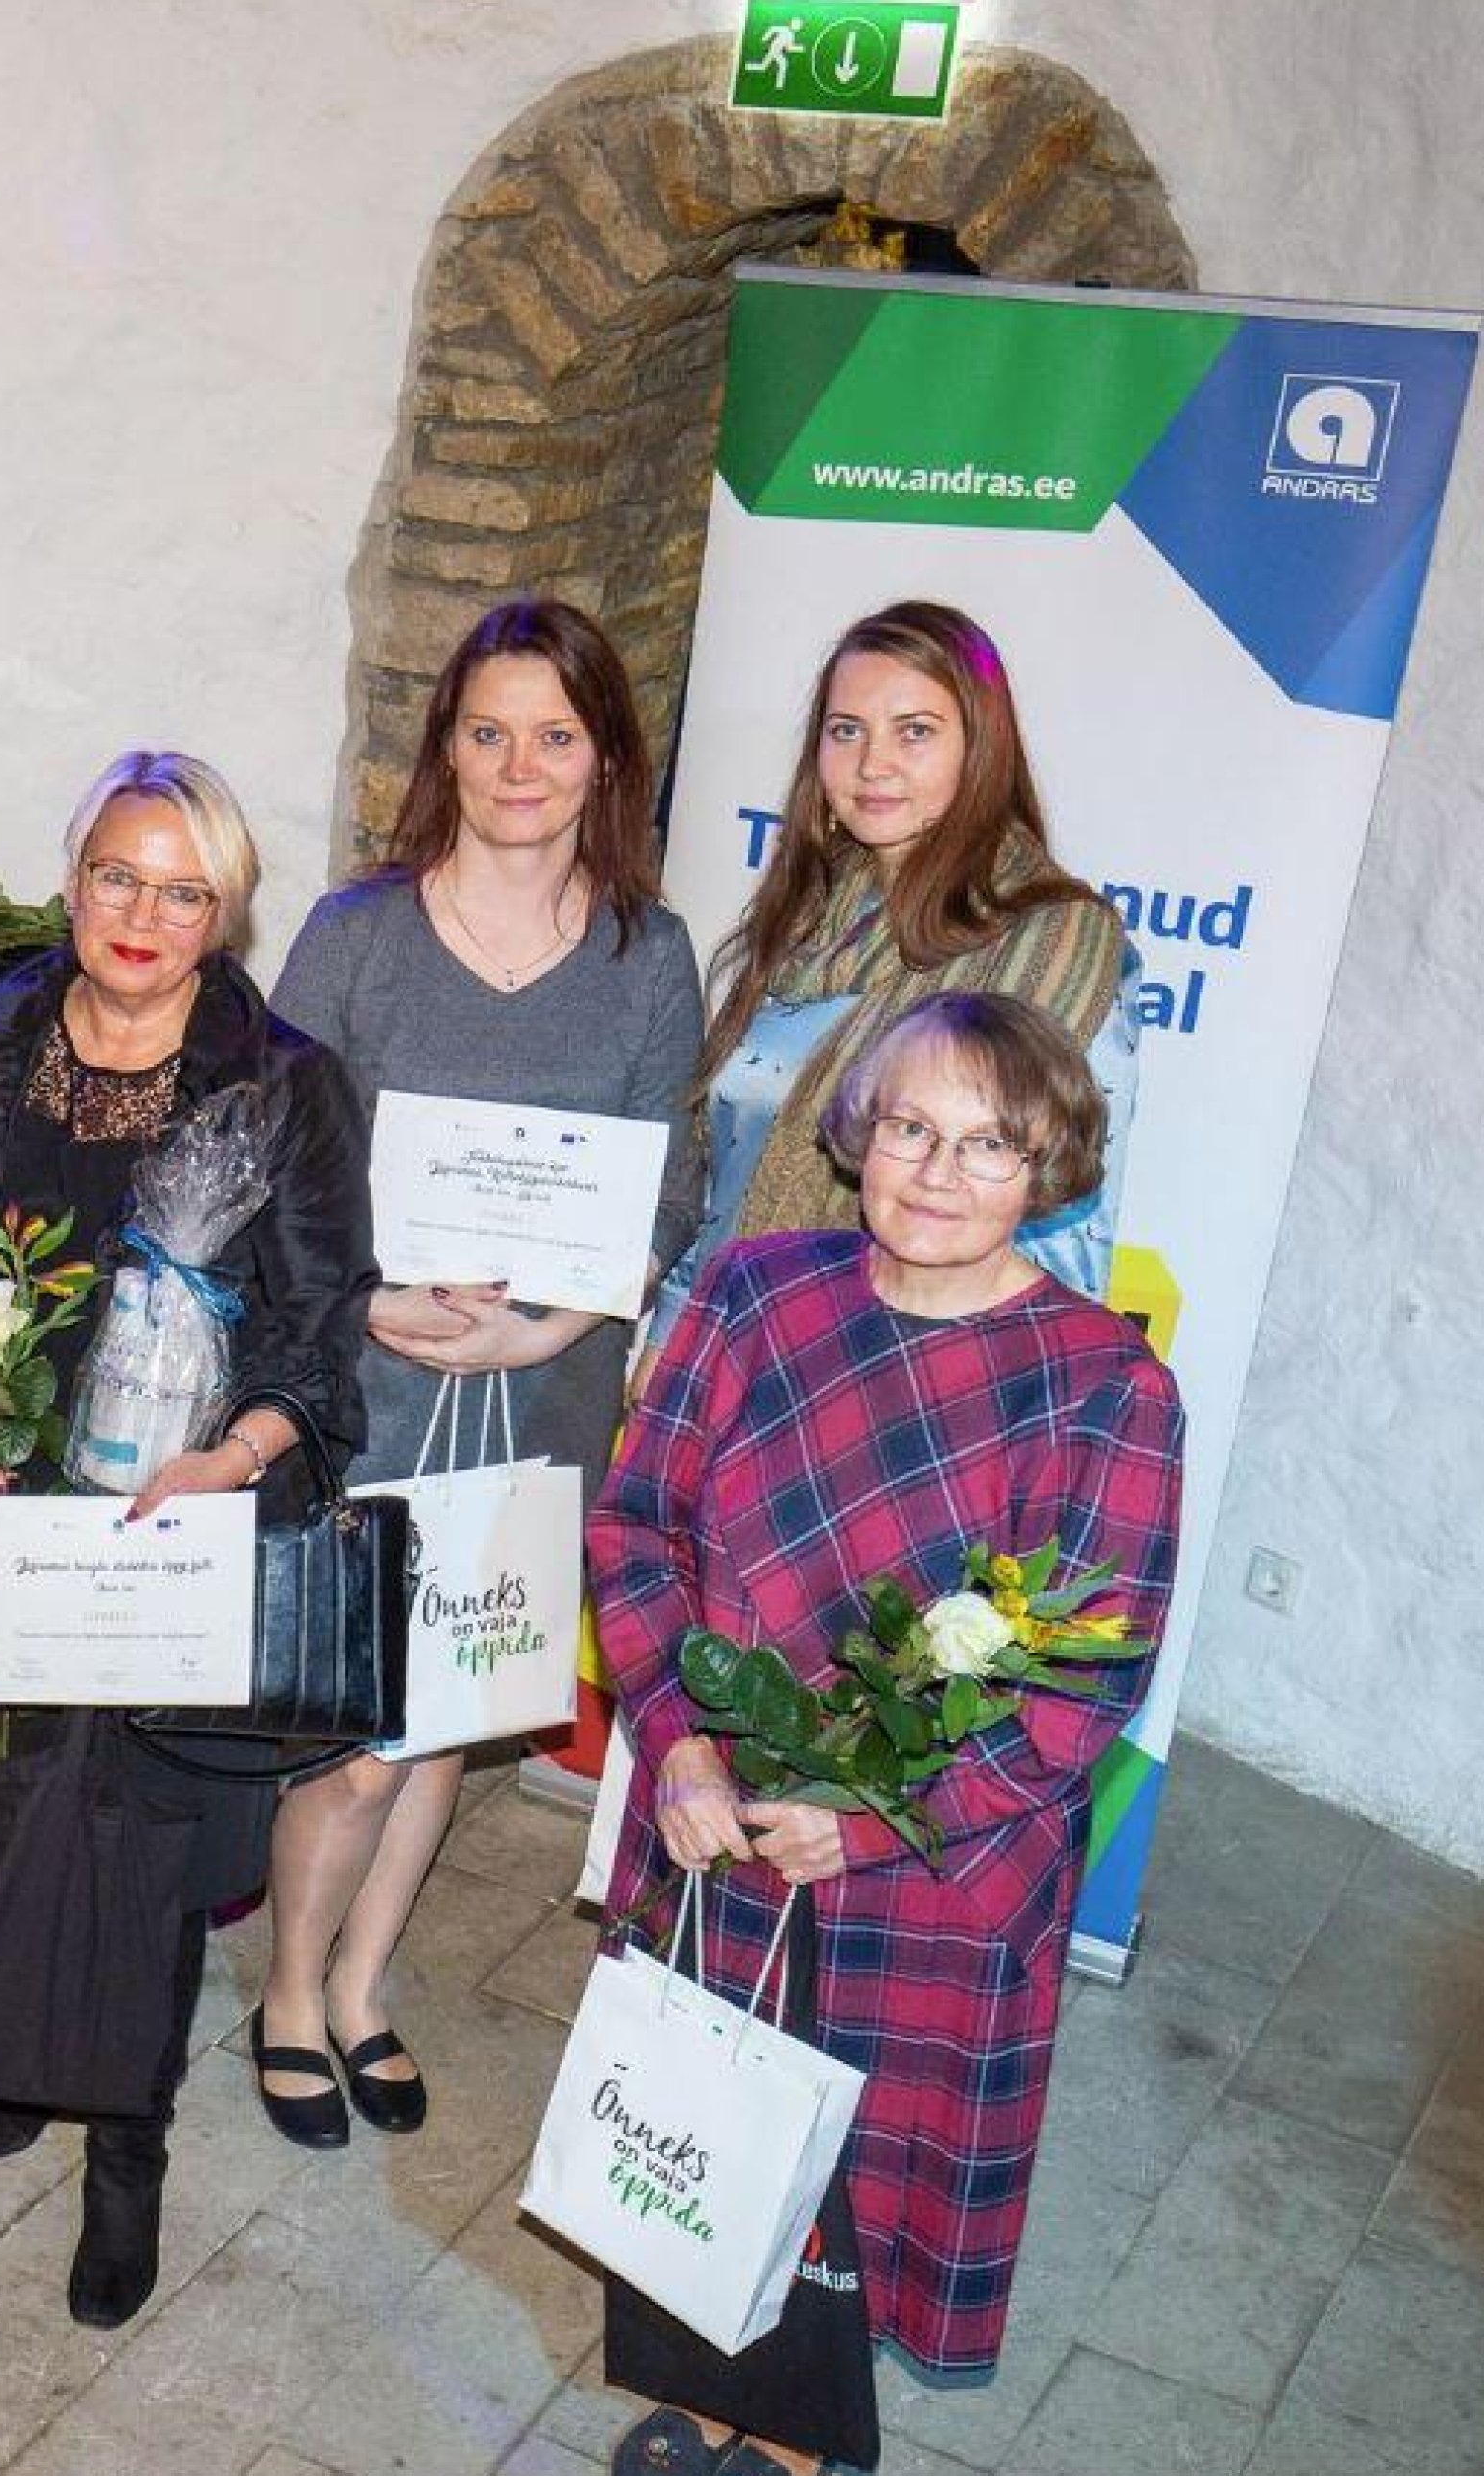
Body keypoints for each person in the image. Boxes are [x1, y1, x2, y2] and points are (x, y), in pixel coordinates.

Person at [591, 993, 1182, 2473]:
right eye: (912, 1127)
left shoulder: (1106, 1386)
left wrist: (861, 1821)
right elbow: (638, 1525)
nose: (938, 1172)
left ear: (1049, 1170)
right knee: (705, 2119)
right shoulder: (757, 1293)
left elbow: (1081, 1689)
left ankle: (802, 2434)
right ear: (858, 1132)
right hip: (721, 1808)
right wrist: (678, 1738)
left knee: (863, 2158)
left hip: (938, 1865)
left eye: (990, 1145)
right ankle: (710, 2378)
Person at [0, 749, 373, 2325]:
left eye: (184, 892)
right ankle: (17, 2046)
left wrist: (233, 1455)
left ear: (224, 913)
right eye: (119, 875)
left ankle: (127, 2151)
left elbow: (320, 1323)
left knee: (146, 1835)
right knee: (21, 1786)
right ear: (71, 877)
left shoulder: (282, 1083)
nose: (143, 915)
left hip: (187, 1511)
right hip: (11, 1501)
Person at [254, 600, 703, 2150]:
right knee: (353, 1744)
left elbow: (670, 1183)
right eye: (489, 731)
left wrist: (555, 1328)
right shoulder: (357, 935)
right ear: (445, 746)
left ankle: (362, 1981)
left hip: (540, 1399)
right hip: (372, 1388)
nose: (521, 765)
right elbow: (274, 1158)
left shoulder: (649, 956)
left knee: (447, 1714)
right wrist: (365, 1299)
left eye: (555, 736)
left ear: (605, 760)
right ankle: (286, 1992)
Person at [655, 600, 1133, 1339]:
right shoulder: (810, 910)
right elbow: (727, 1171)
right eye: (847, 731)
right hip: (720, 1334)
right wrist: (672, 1334)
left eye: (915, 731)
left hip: (896, 1362)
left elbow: (1049, 1219)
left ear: (981, 747)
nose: (873, 764)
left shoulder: (1054, 937)